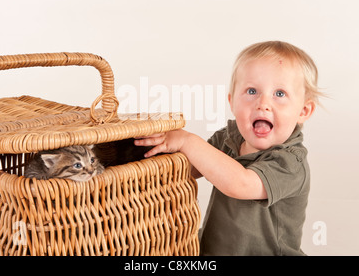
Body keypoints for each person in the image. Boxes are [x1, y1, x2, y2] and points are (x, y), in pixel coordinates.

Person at [134, 41, 323, 255]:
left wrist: (187, 141)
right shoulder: (229, 138)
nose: (263, 103)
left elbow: (240, 184)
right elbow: (192, 169)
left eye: (279, 94)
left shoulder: (290, 162)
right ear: (232, 102)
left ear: (303, 111)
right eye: (252, 91)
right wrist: (152, 156)